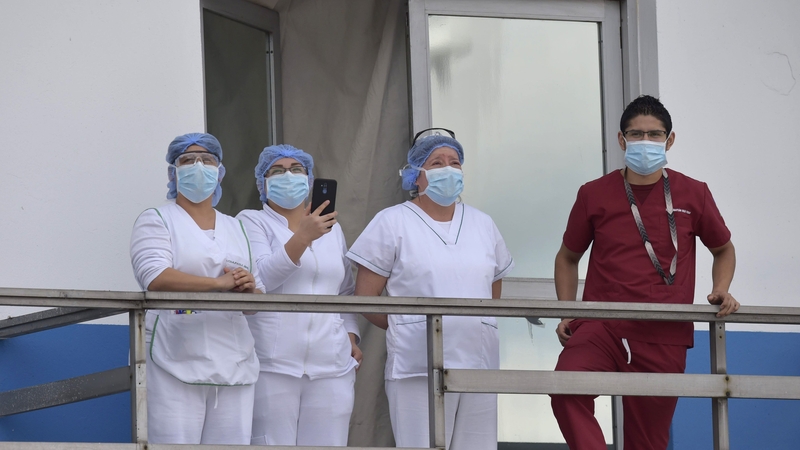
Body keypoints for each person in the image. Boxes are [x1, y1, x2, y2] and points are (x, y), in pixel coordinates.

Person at [551, 95, 740, 450]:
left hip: (663, 331)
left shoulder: (694, 193)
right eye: (636, 135)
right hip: (601, 325)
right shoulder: (594, 194)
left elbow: (723, 249)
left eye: (655, 135)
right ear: (621, 140)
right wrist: (567, 311)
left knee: (647, 442)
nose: (645, 142)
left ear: (670, 140)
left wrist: (721, 288)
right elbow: (567, 257)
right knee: (565, 389)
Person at [347, 129, 514, 450]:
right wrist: (405, 324)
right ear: (415, 175)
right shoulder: (392, 221)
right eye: (437, 163)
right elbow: (366, 299)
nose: (448, 170)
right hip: (416, 365)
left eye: (454, 162)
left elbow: (494, 290)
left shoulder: (483, 223)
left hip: (478, 363)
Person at [129, 133, 264, 445]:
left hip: (234, 361)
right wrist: (219, 284)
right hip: (175, 356)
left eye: (207, 160)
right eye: (187, 160)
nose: (198, 166)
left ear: (220, 171)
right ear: (173, 173)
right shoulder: (157, 220)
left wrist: (248, 289)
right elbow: (155, 277)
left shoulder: (236, 227)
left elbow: (255, 302)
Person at [236, 144, 361, 446]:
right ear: (262, 184)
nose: (288, 175)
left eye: (296, 169)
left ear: (309, 179)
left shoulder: (334, 230)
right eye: (277, 171)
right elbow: (261, 279)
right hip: (274, 364)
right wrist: (302, 236)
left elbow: (344, 289)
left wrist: (352, 334)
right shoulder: (250, 221)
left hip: (332, 366)